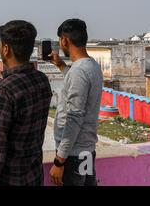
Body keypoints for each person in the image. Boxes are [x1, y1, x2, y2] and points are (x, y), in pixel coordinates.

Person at [0, 20, 53, 186]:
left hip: (10, 180)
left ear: (6, 49)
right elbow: (12, 89)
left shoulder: (5, 92)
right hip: (34, 177)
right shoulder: (41, 80)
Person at [48, 19, 103, 186]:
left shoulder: (78, 71)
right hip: (86, 151)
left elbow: (74, 118)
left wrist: (59, 161)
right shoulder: (92, 66)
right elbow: (78, 87)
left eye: (60, 41)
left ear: (65, 40)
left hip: (73, 156)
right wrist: (62, 66)